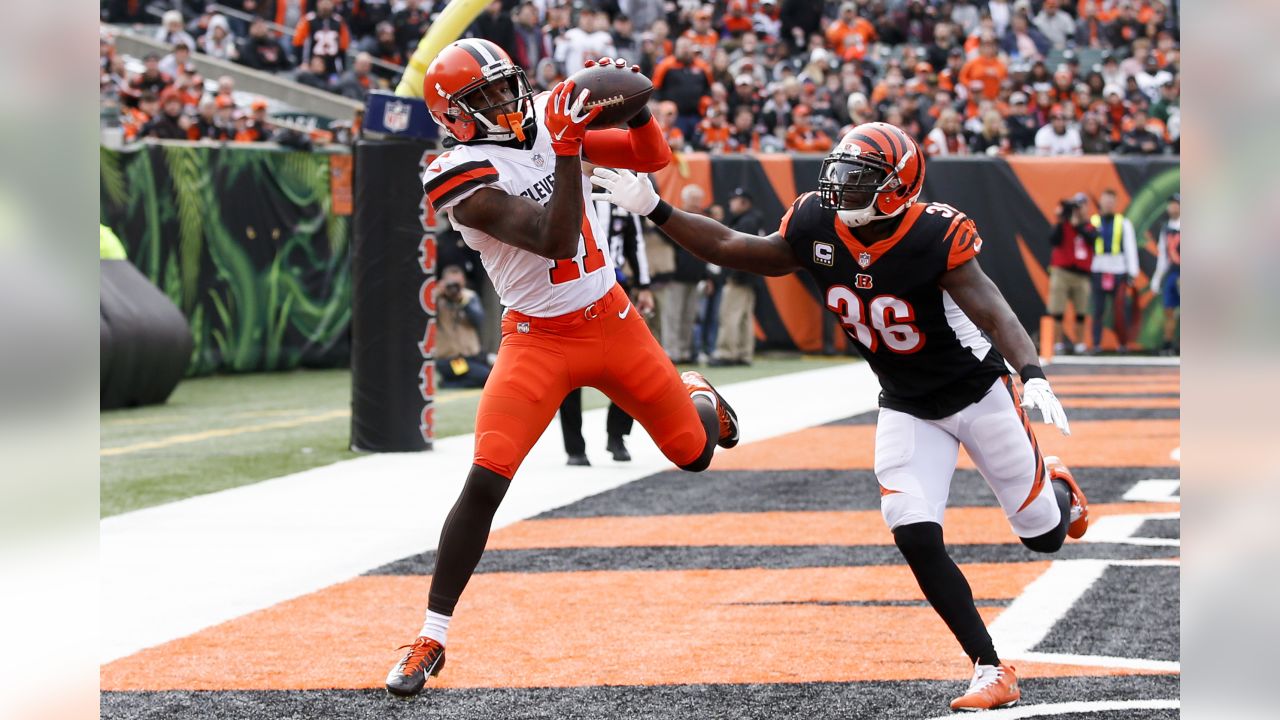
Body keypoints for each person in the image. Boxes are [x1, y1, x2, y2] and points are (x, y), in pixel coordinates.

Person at [591, 121, 1089, 713]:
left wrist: (1030, 372)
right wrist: (655, 207)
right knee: (912, 529)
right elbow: (733, 247)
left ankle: (1060, 490)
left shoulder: (935, 234)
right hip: (905, 401)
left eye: (861, 180)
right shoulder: (814, 223)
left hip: (978, 394)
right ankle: (989, 667)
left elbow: (992, 310)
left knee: (1043, 535)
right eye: (842, 175)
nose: (842, 189)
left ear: (897, 188)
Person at [384, 42, 740, 698]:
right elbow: (555, 236)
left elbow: (651, 157)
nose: (506, 103)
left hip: (609, 315)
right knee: (487, 476)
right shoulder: (457, 170)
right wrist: (570, 144)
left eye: (506, 87)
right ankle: (431, 635)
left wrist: (634, 110)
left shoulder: (548, 119)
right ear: (454, 116)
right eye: (485, 97)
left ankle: (696, 396)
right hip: (536, 339)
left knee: (694, 454)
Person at [559, 200, 658, 465]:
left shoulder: (618, 193)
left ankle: (617, 435)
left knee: (631, 365)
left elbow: (635, 242)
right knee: (569, 369)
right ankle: (574, 447)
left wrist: (644, 284)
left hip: (612, 287)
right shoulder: (561, 185)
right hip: (569, 288)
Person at [654, 185, 711, 363]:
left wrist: (707, 276)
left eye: (697, 199)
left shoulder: (704, 220)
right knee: (673, 315)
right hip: (676, 275)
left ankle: (685, 351)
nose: (695, 203)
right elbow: (661, 231)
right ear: (685, 199)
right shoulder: (676, 216)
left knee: (689, 316)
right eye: (692, 199)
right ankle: (672, 351)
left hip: (695, 276)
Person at [713, 188, 764, 366]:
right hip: (751, 277)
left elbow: (742, 252)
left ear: (745, 202)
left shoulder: (746, 223)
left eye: (735, 200)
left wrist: (734, 274)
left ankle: (727, 353)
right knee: (744, 317)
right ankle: (744, 353)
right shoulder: (754, 220)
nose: (730, 204)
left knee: (730, 315)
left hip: (739, 277)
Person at [1088, 189, 1139, 353]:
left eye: (1111, 201)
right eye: (1106, 200)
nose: (1108, 204)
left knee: (1119, 309)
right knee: (1098, 309)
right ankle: (1096, 344)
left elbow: (1130, 248)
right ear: (1101, 202)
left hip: (1118, 270)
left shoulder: (1123, 222)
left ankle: (1122, 344)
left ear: (1116, 203)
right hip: (1098, 269)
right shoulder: (1093, 221)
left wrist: (1132, 272)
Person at [1046, 194, 1096, 355]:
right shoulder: (1063, 224)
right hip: (1062, 272)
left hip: (1082, 275)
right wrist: (1063, 219)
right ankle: (1058, 344)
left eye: (1081, 206)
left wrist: (1077, 225)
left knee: (1081, 311)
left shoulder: (1089, 226)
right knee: (1057, 310)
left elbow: (1092, 238)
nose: (1078, 210)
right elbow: (1053, 240)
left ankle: (1079, 344)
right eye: (1076, 206)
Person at [435, 265, 492, 389]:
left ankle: (450, 382)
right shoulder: (436, 299)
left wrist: (462, 302)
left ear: (463, 282)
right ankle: (448, 384)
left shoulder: (469, 297)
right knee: (486, 377)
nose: (454, 288)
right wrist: (436, 294)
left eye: (457, 284)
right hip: (450, 361)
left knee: (495, 374)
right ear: (443, 283)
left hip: (472, 358)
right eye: (450, 284)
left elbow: (479, 321)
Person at [1151, 193, 1180, 355]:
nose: (1173, 207)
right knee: (1169, 310)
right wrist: (1157, 279)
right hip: (1172, 273)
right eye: (1171, 204)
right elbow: (1163, 256)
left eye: (1176, 204)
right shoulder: (1166, 229)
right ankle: (1168, 343)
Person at [293, 0, 351, 75]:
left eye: (328, 2)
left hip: (332, 64)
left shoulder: (339, 22)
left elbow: (343, 47)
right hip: (311, 63)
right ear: (318, 3)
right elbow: (298, 42)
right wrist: (302, 62)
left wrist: (342, 69)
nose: (325, 5)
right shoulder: (309, 19)